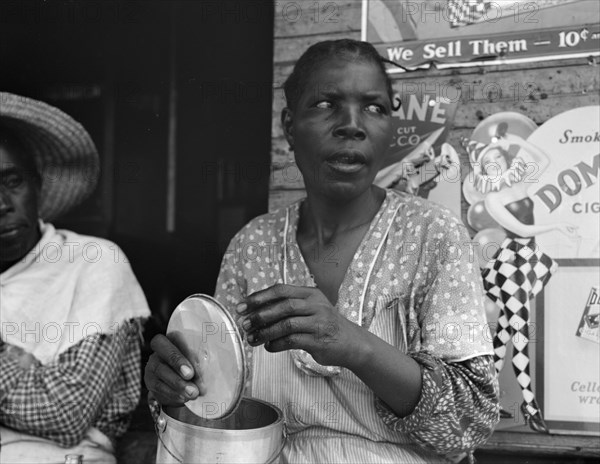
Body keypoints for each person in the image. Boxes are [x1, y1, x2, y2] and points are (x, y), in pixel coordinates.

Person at [145, 39, 500, 463]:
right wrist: (177, 388)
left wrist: (355, 345)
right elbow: (220, 405)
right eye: (326, 104)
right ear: (289, 127)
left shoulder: (433, 235)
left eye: (374, 107)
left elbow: (468, 424)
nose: (352, 124)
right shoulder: (252, 244)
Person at [0, 93, 151, 464]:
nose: (1, 204)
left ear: (38, 184)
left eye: (13, 181)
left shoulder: (92, 263)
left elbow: (63, 413)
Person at [463, 123, 579, 433]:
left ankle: (481, 400)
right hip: (512, 264)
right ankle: (530, 405)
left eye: (498, 160)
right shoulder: (494, 201)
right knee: (520, 336)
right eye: (488, 165)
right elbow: (524, 231)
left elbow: (543, 161)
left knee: (504, 333)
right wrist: (555, 228)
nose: (495, 167)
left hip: (529, 261)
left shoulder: (521, 186)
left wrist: (511, 139)